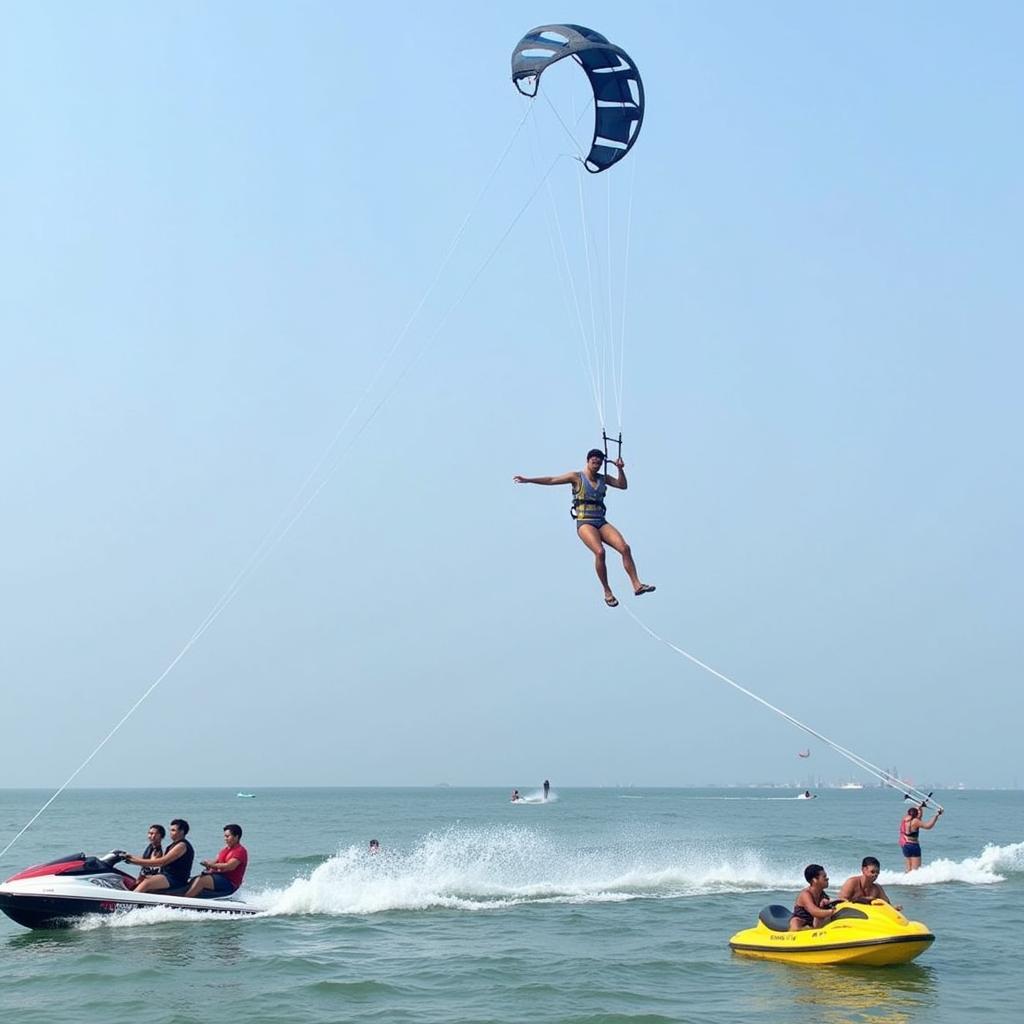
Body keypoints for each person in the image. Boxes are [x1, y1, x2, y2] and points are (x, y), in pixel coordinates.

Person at [514, 449, 655, 607]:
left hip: (601, 521)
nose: (596, 465)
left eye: (599, 463)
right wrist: (528, 480)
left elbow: (622, 485)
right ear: (588, 461)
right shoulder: (576, 477)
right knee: (600, 552)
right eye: (594, 462)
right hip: (585, 522)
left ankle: (636, 585)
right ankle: (607, 591)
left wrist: (620, 468)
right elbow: (552, 479)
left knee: (625, 548)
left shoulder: (603, 478)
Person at [125, 818, 195, 893]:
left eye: (173, 830)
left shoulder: (182, 845)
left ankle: (128, 902)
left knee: (147, 882)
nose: (170, 833)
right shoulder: (173, 845)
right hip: (166, 876)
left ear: (182, 832)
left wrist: (135, 862)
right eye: (170, 830)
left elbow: (162, 862)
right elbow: (150, 859)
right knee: (142, 880)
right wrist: (128, 856)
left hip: (175, 879)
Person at [184, 824, 248, 898]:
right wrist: (207, 864)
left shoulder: (240, 851)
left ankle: (184, 900)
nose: (225, 839)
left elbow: (229, 866)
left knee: (201, 881)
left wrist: (212, 865)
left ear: (236, 837)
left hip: (230, 883)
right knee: (193, 879)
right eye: (224, 836)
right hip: (219, 878)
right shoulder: (224, 849)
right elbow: (215, 862)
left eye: (228, 836)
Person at [789, 864, 835, 931]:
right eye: (824, 877)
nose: (827, 878)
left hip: (812, 925)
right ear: (814, 880)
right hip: (800, 923)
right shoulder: (805, 894)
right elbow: (814, 911)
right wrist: (833, 912)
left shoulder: (823, 895)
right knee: (795, 922)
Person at [900, 802, 943, 872]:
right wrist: (936, 816)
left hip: (905, 845)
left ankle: (905, 880)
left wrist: (920, 806)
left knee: (908, 868)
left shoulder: (905, 819)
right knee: (915, 870)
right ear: (916, 814)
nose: (920, 813)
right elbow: (928, 826)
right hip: (913, 846)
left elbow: (918, 813)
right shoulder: (916, 822)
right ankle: (912, 881)